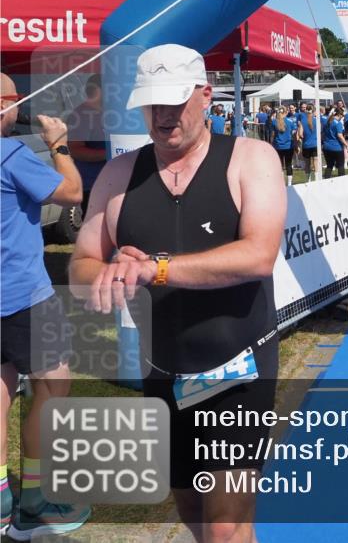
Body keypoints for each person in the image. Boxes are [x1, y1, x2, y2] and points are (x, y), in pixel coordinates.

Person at [68, 44, 286, 542]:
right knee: (192, 511)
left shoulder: (251, 158)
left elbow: (258, 255)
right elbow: (81, 263)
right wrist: (106, 275)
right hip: (163, 369)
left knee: (225, 526)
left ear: (205, 95)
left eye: (175, 100)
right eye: (152, 103)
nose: (164, 114)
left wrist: (155, 270)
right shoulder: (119, 174)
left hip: (239, 368)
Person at [2, 73, 89, 539]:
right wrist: (59, 145)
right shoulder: (11, 154)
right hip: (23, 295)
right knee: (54, 388)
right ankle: (34, 501)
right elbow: (72, 192)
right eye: (15, 99)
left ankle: (2, 503)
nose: (21, 106)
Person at [66, 73, 107, 217]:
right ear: (98, 90)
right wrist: (110, 153)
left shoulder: (109, 113)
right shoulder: (81, 115)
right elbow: (75, 150)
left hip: (112, 182)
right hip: (92, 186)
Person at [271, 105, 296, 186]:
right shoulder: (290, 121)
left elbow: (272, 135)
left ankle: (281, 183)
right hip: (288, 146)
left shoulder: (274, 121)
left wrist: (271, 143)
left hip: (278, 146)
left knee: (280, 165)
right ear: (286, 112)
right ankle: (289, 183)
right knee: (289, 164)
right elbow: (294, 134)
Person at [322, 106, 348, 178]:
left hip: (326, 147)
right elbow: (340, 135)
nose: (342, 117)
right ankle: (342, 181)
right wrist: (346, 145)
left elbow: (323, 134)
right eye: (342, 116)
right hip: (337, 148)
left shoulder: (327, 121)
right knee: (340, 166)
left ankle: (326, 180)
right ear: (339, 115)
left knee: (329, 165)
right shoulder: (338, 123)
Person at [297, 104, 319, 182]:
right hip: (315, 144)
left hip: (306, 145)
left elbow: (300, 134)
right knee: (316, 161)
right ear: (313, 111)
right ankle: (316, 179)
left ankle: (308, 180)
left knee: (307, 163)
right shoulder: (316, 120)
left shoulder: (302, 121)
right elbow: (320, 132)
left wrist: (305, 137)